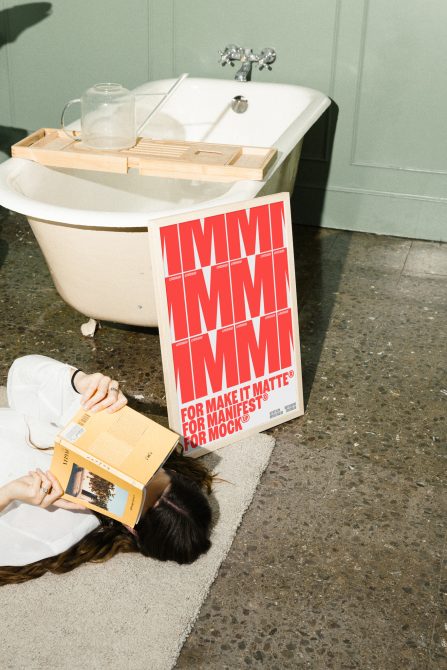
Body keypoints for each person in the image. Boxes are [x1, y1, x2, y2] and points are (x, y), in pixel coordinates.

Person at [0, 355, 213, 586]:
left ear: (132, 529)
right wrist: (79, 381)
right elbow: (22, 379)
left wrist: (8, 493)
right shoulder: (122, 439)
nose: (135, 476)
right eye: (153, 474)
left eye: (139, 498)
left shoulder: (60, 528)